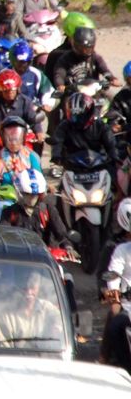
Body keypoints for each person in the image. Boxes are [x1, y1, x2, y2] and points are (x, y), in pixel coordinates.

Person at [0, 270, 63, 347]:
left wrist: (56, 329)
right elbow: (3, 349)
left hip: (45, 357)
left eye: (32, 287)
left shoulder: (47, 308)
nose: (29, 292)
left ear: (38, 287)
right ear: (18, 288)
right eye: (24, 288)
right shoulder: (6, 316)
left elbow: (61, 320)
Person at [52, 91, 118, 172]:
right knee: (62, 183)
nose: (78, 119)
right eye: (74, 115)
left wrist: (114, 157)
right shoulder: (64, 126)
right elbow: (57, 142)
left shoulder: (101, 126)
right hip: (73, 166)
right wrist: (56, 156)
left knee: (115, 179)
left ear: (90, 112)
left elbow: (111, 144)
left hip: (99, 166)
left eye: (81, 115)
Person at [100, 199, 131, 370]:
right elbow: (112, 276)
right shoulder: (121, 249)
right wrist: (115, 300)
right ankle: (119, 366)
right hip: (127, 305)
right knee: (115, 325)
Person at [0, 70, 44, 146]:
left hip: (19, 143)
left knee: (35, 156)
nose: (9, 93)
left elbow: (33, 119)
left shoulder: (26, 102)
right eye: (6, 91)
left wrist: (39, 132)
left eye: (12, 90)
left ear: (17, 89)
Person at [51, 25, 118, 91]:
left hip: (94, 90)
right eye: (81, 48)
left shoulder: (95, 57)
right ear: (75, 45)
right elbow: (59, 74)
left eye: (88, 48)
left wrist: (112, 79)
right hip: (72, 92)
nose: (85, 51)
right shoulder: (65, 59)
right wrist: (60, 85)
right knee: (61, 101)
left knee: (112, 98)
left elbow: (104, 70)